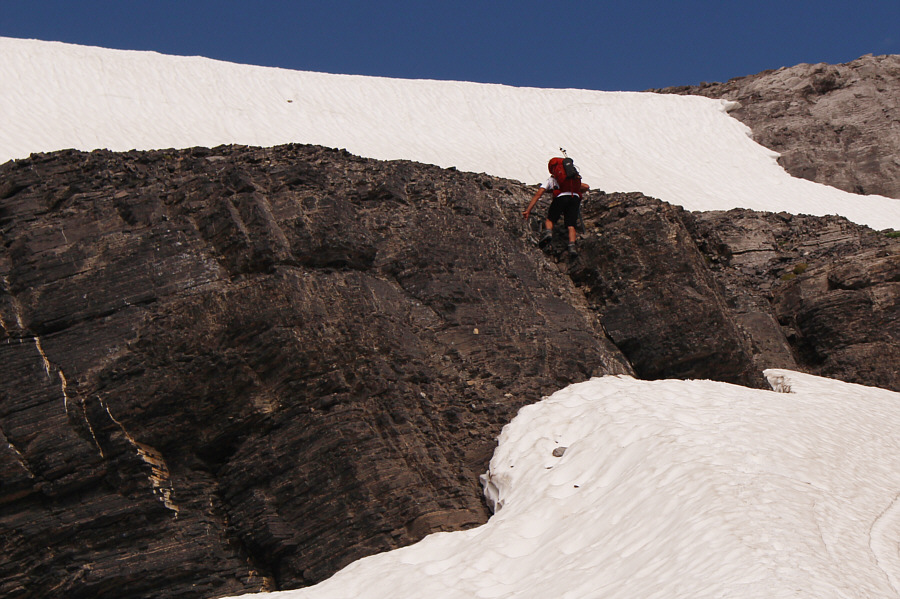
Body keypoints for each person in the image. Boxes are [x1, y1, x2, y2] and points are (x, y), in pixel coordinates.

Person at [522, 157, 590, 257]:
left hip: (561, 198)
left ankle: (548, 234)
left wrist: (528, 210)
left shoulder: (553, 179)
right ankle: (572, 246)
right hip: (574, 198)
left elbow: (539, 194)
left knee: (550, 219)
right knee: (571, 225)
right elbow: (586, 186)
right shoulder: (571, 178)